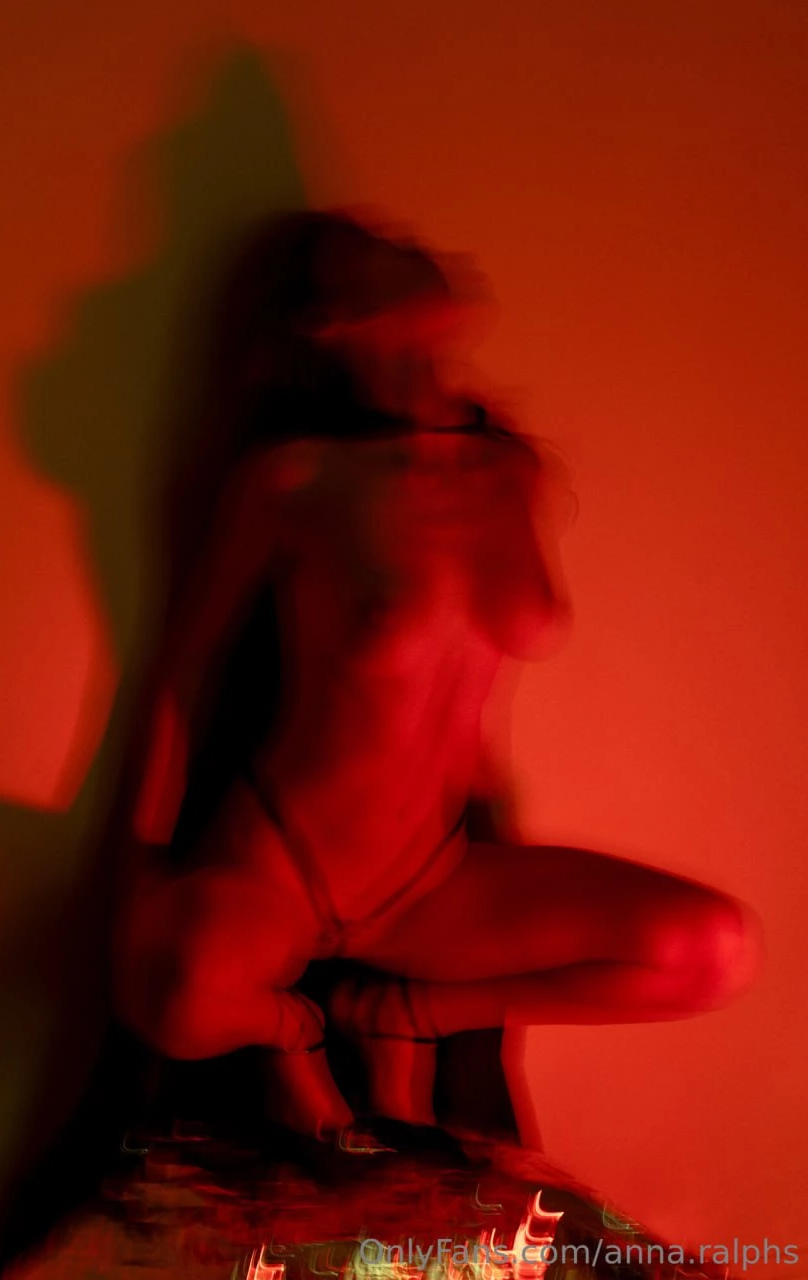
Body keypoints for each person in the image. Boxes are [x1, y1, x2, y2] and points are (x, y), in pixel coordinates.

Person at [110, 208, 764, 1143]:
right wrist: (140, 869)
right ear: (329, 321)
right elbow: (184, 677)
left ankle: (408, 1012)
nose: (414, 246)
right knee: (175, 991)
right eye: (378, 250)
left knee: (714, 951)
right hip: (283, 864)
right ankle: (292, 1029)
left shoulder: (511, 475)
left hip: (431, 878)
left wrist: (483, 916)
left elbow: (479, 711)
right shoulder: (296, 479)